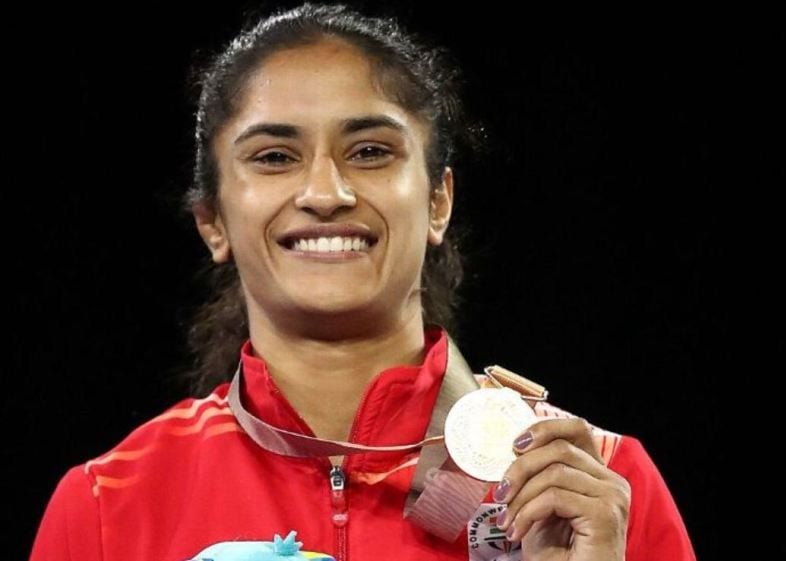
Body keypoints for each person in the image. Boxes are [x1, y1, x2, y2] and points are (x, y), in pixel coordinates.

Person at [30, 3, 696, 560]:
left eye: (371, 151)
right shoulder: (106, 507)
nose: (326, 191)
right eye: (274, 157)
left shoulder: (598, 484)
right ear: (213, 222)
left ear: (438, 200)